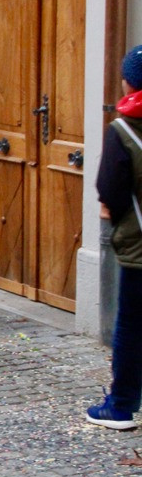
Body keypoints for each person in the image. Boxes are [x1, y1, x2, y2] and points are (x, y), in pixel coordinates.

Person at [86, 46, 142, 430]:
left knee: (132, 325)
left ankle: (121, 405)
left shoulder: (123, 129)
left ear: (128, 81)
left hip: (139, 244)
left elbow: (110, 188)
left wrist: (112, 209)